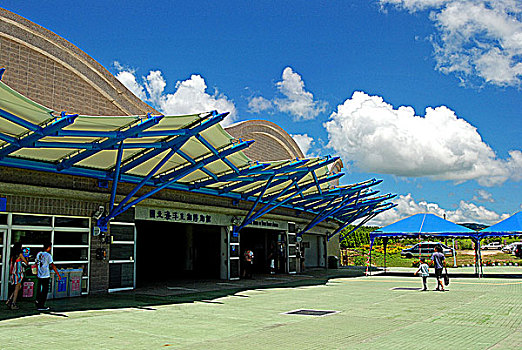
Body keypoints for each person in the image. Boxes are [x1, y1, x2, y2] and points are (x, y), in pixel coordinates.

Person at [35, 241, 61, 311]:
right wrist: (58, 274)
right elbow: (52, 265)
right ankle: (41, 305)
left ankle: (37, 301)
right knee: (44, 291)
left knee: (39, 289)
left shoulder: (39, 254)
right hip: (45, 275)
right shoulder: (48, 255)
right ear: (49, 247)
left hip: (39, 274)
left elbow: (36, 263)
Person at [6, 242, 28, 310]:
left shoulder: (12, 255)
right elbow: (26, 262)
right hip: (18, 273)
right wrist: (26, 257)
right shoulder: (20, 254)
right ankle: (13, 303)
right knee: (17, 288)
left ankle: (9, 300)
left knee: (18, 287)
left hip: (13, 273)